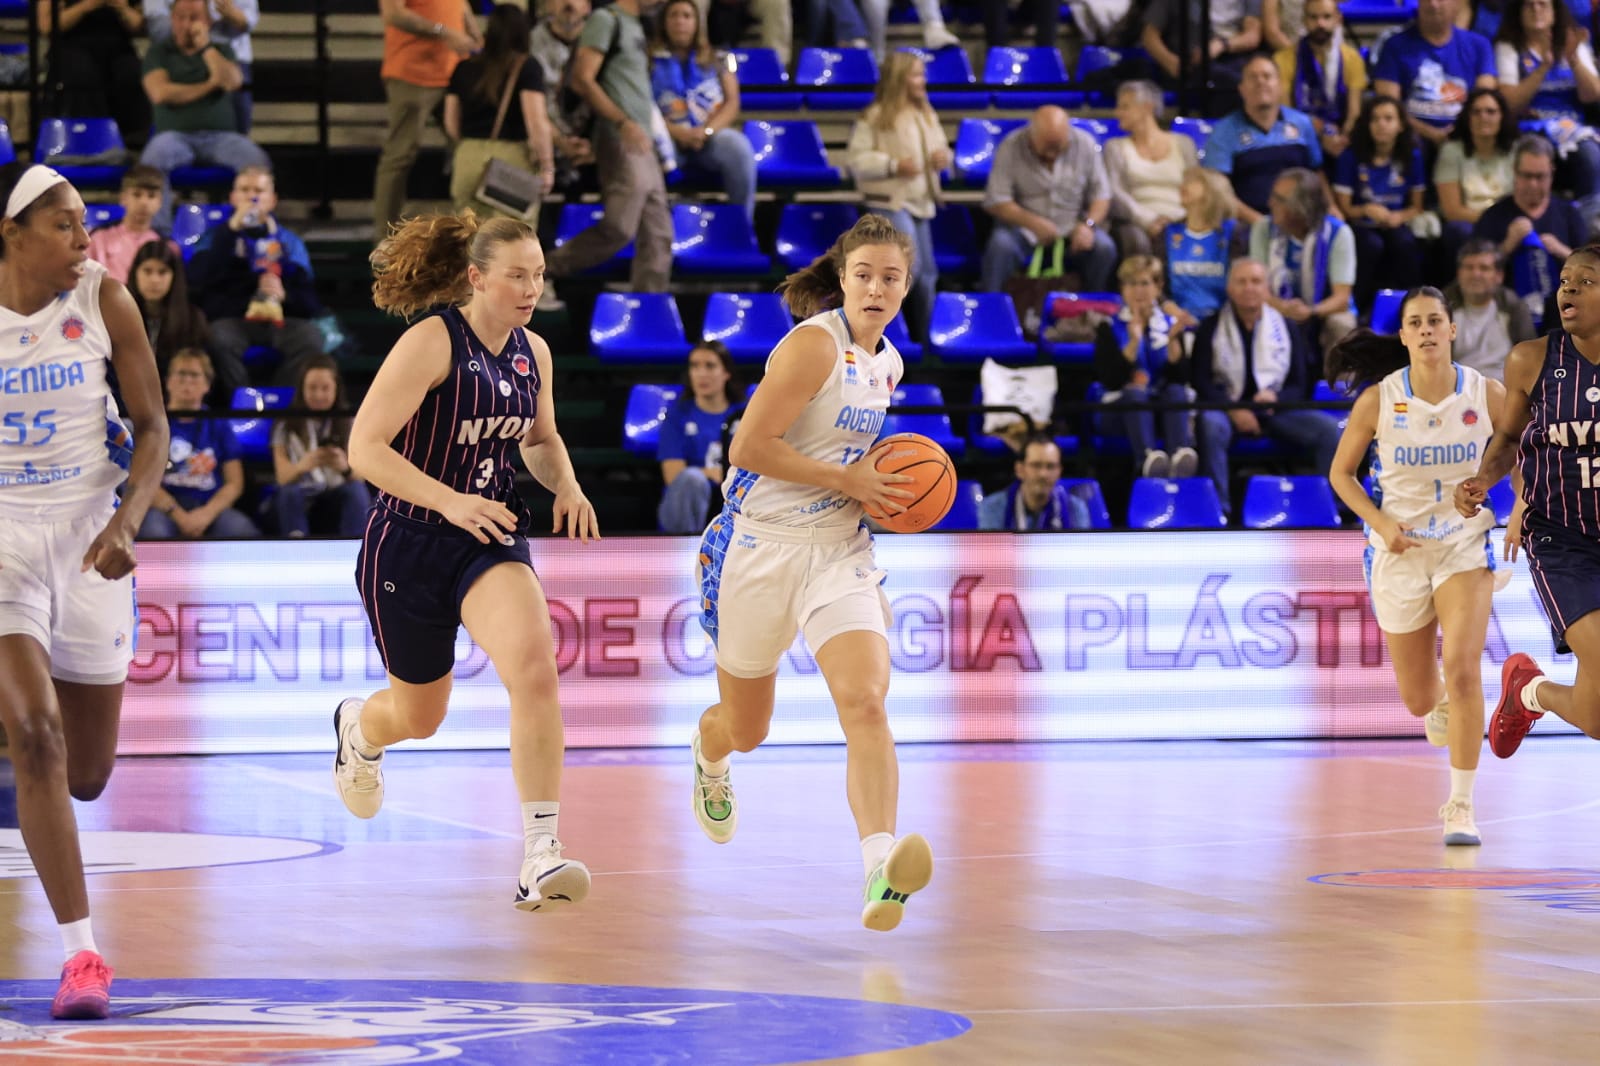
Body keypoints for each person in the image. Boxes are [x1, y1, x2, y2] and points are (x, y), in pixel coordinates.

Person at [337, 210, 600, 913]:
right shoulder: (431, 342)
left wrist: (567, 484)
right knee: (421, 717)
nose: (531, 289)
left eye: (539, 276)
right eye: (517, 276)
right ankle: (360, 730)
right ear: (477, 278)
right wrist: (448, 499)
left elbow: (539, 439)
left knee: (535, 667)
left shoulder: (532, 354)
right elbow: (365, 447)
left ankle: (540, 852)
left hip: (489, 535)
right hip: (410, 540)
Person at [689, 213, 933, 932]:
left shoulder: (888, 363)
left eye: (891, 278)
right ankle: (708, 756)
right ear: (843, 279)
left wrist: (874, 494)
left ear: (906, 286)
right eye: (864, 275)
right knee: (746, 727)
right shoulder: (811, 347)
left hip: (838, 548)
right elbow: (749, 447)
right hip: (760, 546)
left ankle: (881, 870)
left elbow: (859, 470)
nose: (877, 288)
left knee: (865, 701)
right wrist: (849, 478)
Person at [0, 162, 170, 1020]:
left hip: (88, 532)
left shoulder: (105, 300)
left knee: (89, 775)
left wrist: (127, 524)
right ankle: (82, 957)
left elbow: (154, 429)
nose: (83, 239)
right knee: (34, 736)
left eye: (85, 223)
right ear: (13, 232)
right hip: (2, 534)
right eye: (64, 225)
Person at [1326, 288, 1506, 846]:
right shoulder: (1379, 400)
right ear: (1403, 336)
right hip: (1400, 547)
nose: (1426, 330)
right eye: (1415, 323)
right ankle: (1441, 705)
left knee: (1463, 666)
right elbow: (1341, 476)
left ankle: (1460, 806)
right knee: (1420, 699)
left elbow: (1520, 455)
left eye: (1435, 321)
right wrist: (1382, 525)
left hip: (1463, 543)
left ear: (1452, 330)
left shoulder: (1487, 393)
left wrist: (1515, 505)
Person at [1454, 245, 1600, 762]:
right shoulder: (1532, 357)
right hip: (1563, 540)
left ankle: (1526, 693)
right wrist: (1481, 481)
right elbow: (1509, 438)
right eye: (1565, 280)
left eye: (1586, 281)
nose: (1570, 289)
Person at [1192, 258, 1341, 516]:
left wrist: (1276, 397)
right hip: (1228, 411)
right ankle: (1220, 511)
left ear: (1266, 289)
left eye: (1256, 281)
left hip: (1277, 411)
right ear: (1229, 288)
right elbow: (1201, 381)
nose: (1249, 288)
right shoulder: (1211, 327)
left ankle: (1329, 508)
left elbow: (1299, 384)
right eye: (1242, 281)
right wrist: (1233, 409)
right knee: (1210, 424)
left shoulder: (1287, 327)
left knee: (1329, 430)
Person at [546, 0, 675, 293]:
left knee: (659, 234)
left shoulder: (637, 24)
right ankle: (545, 269)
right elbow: (582, 79)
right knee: (619, 228)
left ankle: (648, 315)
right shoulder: (606, 19)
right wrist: (621, 122)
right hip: (621, 137)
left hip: (642, 139)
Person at [137, 0, 271, 230]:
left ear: (208, 21)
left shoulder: (221, 50)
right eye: (181, 17)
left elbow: (232, 81)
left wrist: (205, 48)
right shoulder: (159, 52)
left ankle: (249, 230)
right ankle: (159, 239)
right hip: (174, 137)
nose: (187, 24)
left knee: (257, 163)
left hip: (221, 138)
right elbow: (160, 93)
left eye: (195, 17)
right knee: (151, 164)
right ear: (172, 19)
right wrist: (209, 85)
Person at [186, 166, 326, 387]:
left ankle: (280, 404)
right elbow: (198, 280)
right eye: (244, 190)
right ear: (233, 197)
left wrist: (285, 294)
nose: (252, 197)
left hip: (281, 320)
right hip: (233, 319)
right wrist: (231, 232)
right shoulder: (214, 237)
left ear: (272, 200)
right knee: (219, 339)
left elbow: (310, 301)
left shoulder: (290, 242)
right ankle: (241, 403)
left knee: (310, 338)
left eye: (259, 191)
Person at [845, 50, 949, 343]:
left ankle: (926, 337)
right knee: (907, 269)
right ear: (899, 78)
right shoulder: (875, 116)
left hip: (921, 202)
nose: (922, 80)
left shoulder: (926, 113)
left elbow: (941, 146)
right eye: (916, 74)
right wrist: (892, 165)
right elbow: (857, 160)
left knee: (928, 274)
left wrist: (944, 158)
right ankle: (883, 332)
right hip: (889, 202)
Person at [373, 0, 482, 244]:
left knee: (470, 150)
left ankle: (476, 233)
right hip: (412, 72)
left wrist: (474, 34)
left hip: (454, 70)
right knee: (400, 155)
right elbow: (393, 13)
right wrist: (444, 32)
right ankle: (386, 239)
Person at [980, 105, 1115, 295]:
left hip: (1072, 228)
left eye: (1058, 146)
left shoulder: (1085, 144)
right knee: (1000, 246)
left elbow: (1101, 196)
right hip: (1023, 229)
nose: (1053, 154)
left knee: (1104, 247)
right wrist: (1033, 223)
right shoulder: (1011, 146)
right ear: (1032, 135)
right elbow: (996, 200)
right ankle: (992, 309)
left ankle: (1093, 313)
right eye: (1047, 146)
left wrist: (1088, 225)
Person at [443, 3, 557, 217]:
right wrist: (547, 166)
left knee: (467, 238)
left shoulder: (463, 67)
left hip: (467, 156)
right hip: (510, 159)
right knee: (512, 238)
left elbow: (450, 121)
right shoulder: (527, 67)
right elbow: (536, 121)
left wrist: (471, 146)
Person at [1493, 0, 1600, 223]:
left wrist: (1573, 60)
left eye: (1542, 5)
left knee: (1591, 154)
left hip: (1571, 128)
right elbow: (1510, 102)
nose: (1536, 10)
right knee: (1530, 153)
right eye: (1529, 6)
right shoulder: (1510, 46)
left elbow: (1592, 94)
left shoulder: (1573, 44)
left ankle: (1588, 226)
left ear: (1554, 13)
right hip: (1527, 126)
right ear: (1519, 12)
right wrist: (1542, 68)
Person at [1092, 255, 1199, 479]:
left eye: (1145, 283)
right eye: (1132, 284)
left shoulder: (1171, 325)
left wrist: (1173, 344)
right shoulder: (1108, 327)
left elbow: (1179, 378)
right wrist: (1133, 343)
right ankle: (1148, 461)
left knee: (1176, 392)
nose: (1139, 291)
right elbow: (1110, 380)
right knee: (1134, 394)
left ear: (1158, 287)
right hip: (1121, 412)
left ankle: (1181, 458)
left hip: (1161, 411)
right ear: (1122, 289)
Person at [651, 0, 758, 223]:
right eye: (674, 15)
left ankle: (740, 226)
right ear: (664, 22)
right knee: (644, 151)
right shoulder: (648, 59)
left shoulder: (719, 58)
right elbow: (644, 106)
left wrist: (705, 131)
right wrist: (678, 133)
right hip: (666, 136)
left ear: (698, 23)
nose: (680, 21)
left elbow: (732, 102)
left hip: (710, 137)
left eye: (687, 16)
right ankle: (656, 226)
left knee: (739, 147)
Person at [138, 348, 260, 539]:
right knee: (153, 533)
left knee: (241, 530)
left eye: (194, 375)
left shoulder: (219, 424)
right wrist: (179, 516)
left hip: (209, 506)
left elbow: (235, 483)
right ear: (168, 381)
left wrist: (206, 514)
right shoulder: (154, 424)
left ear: (207, 384)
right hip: (165, 507)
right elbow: (143, 481)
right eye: (181, 374)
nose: (187, 381)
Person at [1472, 133, 1588, 328]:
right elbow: (1473, 275)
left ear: (1552, 173)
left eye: (1540, 177)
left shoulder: (1569, 214)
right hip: (1506, 315)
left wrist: (1562, 251)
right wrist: (1507, 246)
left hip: (1565, 313)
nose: (1533, 184)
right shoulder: (1492, 216)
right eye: (1526, 176)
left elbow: (1593, 272)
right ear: (1515, 173)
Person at [1202, 55, 1324, 226]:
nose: (1261, 82)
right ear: (1242, 89)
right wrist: (1260, 223)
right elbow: (1218, 191)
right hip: (1248, 223)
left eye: (1267, 76)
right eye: (1253, 77)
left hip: (1303, 219)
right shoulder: (1223, 131)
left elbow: (1317, 173)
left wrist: (1330, 207)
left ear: (1280, 86)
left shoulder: (1302, 123)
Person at [1332, 95, 1428, 309]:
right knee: (1371, 245)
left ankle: (1414, 305)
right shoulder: (1350, 157)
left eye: (1388, 118)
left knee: (1404, 244)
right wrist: (1366, 208)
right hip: (1361, 223)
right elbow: (1344, 208)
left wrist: (1399, 216)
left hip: (1395, 221)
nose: (1381, 124)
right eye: (1375, 119)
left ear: (1401, 125)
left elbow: (1417, 206)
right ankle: (1358, 306)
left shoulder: (1412, 156)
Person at [1249, 166, 1358, 351]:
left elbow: (1341, 298)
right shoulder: (1263, 229)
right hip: (1275, 306)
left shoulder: (1338, 233)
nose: (1270, 203)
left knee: (1342, 324)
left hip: (1323, 309)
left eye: (1279, 200)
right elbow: (1258, 289)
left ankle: (1339, 380)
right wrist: (1283, 307)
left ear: (1302, 207)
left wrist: (1310, 311)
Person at [1372, 0, 1498, 153]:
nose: (1433, 4)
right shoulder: (1394, 46)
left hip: (1465, 139)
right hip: (1410, 141)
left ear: (1457, 4)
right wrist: (1431, 134)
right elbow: (1387, 107)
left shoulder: (1479, 46)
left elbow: (1484, 100)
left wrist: (1457, 132)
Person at [270, 354, 372, 538]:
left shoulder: (350, 421)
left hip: (336, 490)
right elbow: (282, 478)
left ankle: (356, 546)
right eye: (312, 388)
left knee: (356, 490)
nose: (318, 395)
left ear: (336, 389)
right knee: (289, 493)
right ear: (302, 389)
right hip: (302, 489)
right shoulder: (285, 424)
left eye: (325, 388)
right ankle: (296, 548)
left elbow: (362, 476)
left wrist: (345, 468)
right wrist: (304, 464)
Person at [1103, 80, 1198, 260]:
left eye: (1124, 106)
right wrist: (1148, 220)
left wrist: (1181, 220)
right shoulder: (1114, 147)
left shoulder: (1183, 143)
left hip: (1181, 219)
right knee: (1136, 240)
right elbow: (1115, 193)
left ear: (1147, 107)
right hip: (1139, 222)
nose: (1117, 113)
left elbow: (1197, 187)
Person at [38, 0, 149, 151]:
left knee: (133, 73)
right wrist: (87, 5)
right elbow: (47, 26)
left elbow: (139, 27)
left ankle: (131, 142)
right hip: (71, 46)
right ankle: (87, 142)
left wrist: (122, 8)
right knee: (82, 74)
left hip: (117, 47)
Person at [658, 340, 739, 533]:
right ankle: (685, 547)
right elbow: (673, 475)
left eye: (710, 366)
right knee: (691, 479)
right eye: (695, 366)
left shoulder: (745, 414)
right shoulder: (677, 415)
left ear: (726, 373)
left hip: (733, 497)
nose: (701, 373)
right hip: (689, 502)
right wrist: (712, 473)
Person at [1273, 0, 1368, 163]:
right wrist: (1320, 135)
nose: (1320, 24)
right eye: (1313, 17)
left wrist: (1343, 139)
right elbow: (1286, 113)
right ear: (1304, 20)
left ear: (1338, 19)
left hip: (1341, 136)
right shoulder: (1282, 59)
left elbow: (1354, 113)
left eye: (1326, 17)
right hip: (1299, 135)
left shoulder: (1353, 59)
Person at [146, 0, 259, 135]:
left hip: (230, 55)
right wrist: (203, 31)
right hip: (174, 55)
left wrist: (233, 15)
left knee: (236, 90)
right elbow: (158, 28)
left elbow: (248, 20)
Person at [1435, 87, 1519, 267]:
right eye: (1476, 112)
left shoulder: (1516, 151)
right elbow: (1452, 211)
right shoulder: (1451, 151)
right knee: (1457, 230)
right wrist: (1491, 221)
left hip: (1508, 222)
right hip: (1471, 224)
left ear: (1502, 116)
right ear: (1467, 117)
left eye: (1491, 111)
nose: (1484, 117)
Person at [129, 239, 217, 392]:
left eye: (162, 272)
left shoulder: (193, 319)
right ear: (135, 274)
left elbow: (200, 373)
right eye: (147, 271)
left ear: (174, 276)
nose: (154, 280)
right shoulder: (118, 317)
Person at [1444, 238, 1537, 378]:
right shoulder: (1442, 308)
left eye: (1484, 268)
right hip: (1458, 389)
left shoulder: (1513, 306)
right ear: (1459, 273)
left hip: (1506, 390)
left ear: (1499, 276)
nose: (1476, 274)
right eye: (1469, 267)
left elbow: (1531, 358)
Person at [1163, 165, 1238, 325]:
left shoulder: (1235, 233)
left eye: (1192, 181)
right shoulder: (1167, 233)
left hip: (1225, 321)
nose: (1182, 186)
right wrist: (1173, 311)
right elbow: (1158, 286)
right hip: (1177, 320)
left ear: (1212, 189)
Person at [976, 433, 1092, 531]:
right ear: (1019, 469)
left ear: (1059, 471)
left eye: (1050, 466)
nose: (1043, 474)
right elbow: (991, 555)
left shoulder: (1075, 508)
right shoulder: (993, 507)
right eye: (1036, 465)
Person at [85, 166, 173, 285]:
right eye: (137, 195)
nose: (144, 203)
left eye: (151, 196)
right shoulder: (98, 239)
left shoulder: (166, 246)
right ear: (123, 198)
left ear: (160, 202)